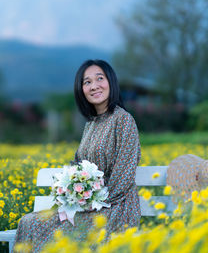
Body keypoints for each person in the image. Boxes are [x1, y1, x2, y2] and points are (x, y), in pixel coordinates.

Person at [14, 59, 141, 252]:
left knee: (57, 231)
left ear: (111, 82)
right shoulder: (91, 124)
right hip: (88, 205)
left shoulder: (123, 120)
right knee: (29, 222)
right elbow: (77, 165)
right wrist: (70, 194)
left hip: (115, 208)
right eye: (87, 82)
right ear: (81, 89)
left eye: (100, 78)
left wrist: (93, 202)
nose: (94, 86)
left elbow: (123, 176)